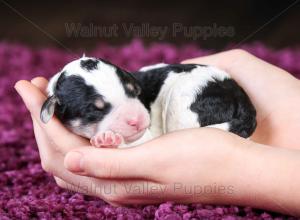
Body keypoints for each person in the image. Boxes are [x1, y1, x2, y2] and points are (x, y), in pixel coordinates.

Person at [15, 49, 300, 216]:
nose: (138, 117)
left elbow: (144, 140)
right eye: (100, 110)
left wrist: (233, 166)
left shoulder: (176, 90)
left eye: (131, 93)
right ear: (55, 109)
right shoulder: (59, 102)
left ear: (127, 79)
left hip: (205, 94)